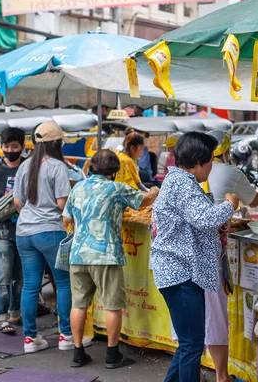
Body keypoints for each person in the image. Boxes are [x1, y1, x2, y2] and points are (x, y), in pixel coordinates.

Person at [151, 132, 239, 382]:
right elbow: (204, 218)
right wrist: (230, 204)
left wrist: (219, 223)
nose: (212, 167)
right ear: (200, 161)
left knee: (189, 342)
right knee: (192, 345)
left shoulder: (182, 181)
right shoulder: (181, 182)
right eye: (211, 160)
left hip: (182, 271)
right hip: (180, 272)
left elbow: (196, 221)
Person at [63, 149, 159, 368]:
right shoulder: (115, 188)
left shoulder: (78, 187)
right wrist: (154, 189)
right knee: (112, 306)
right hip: (106, 254)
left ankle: (78, 353)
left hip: (78, 254)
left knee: (78, 304)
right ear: (114, 172)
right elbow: (144, 201)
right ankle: (113, 355)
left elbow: (67, 218)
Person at [13, 122, 91, 353]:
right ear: (56, 144)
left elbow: (18, 203)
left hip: (24, 232)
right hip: (51, 231)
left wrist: (31, 217)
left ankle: (30, 339)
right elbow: (62, 204)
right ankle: (66, 335)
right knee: (64, 282)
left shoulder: (24, 166)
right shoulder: (58, 166)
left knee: (30, 286)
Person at [202, 131, 258, 382]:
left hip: (194, 258)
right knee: (215, 315)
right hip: (209, 256)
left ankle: (198, 371)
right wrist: (229, 206)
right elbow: (255, 200)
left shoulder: (188, 176)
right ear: (226, 151)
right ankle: (221, 376)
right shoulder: (228, 172)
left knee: (197, 317)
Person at [0, 127, 26, 334]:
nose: (10, 150)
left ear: (22, 146)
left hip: (24, 231)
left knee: (19, 279)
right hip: (0, 232)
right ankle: (0, 317)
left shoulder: (28, 167)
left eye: (15, 146)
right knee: (2, 278)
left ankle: (15, 312)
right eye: (6, 146)